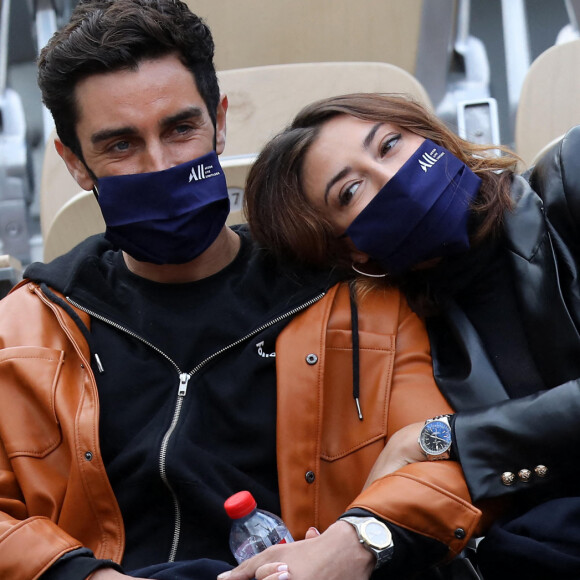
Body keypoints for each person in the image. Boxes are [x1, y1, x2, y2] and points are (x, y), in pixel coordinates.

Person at [0, 4, 492, 580]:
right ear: (75, 163)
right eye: (120, 145)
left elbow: (441, 455)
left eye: (181, 129)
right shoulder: (24, 330)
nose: (161, 165)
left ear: (220, 122)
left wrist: (356, 543)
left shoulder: (353, 302)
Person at [243, 92, 580, 578]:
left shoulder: (570, 177)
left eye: (390, 144)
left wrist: (448, 438)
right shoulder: (413, 337)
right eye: (351, 191)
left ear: (429, 134)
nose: (392, 175)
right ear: (351, 251)